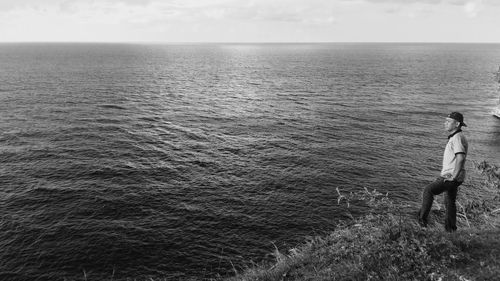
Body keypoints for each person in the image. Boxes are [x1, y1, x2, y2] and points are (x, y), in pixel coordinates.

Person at [418, 112, 468, 232]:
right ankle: (450, 230)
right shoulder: (457, 137)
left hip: (451, 176)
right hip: (455, 176)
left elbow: (461, 158)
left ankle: (422, 223)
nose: (445, 123)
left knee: (429, 190)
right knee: (450, 201)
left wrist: (453, 177)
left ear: (456, 124)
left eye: (448, 121)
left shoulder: (457, 138)